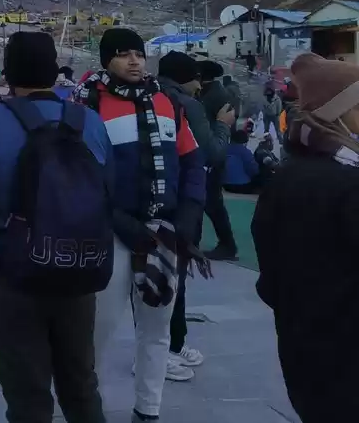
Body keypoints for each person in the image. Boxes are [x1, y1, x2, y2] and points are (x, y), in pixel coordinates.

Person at [0, 32, 111, 423]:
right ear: (54, 72)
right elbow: (110, 189)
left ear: (9, 72)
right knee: (81, 383)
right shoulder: (90, 122)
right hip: (79, 270)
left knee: (28, 393)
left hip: (13, 272)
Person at [72, 28, 205, 423]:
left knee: (156, 328)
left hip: (162, 233)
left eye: (138, 53)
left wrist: (188, 215)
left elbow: (194, 162)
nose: (133, 61)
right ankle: (85, 408)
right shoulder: (89, 106)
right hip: (112, 234)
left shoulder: (167, 103)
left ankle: (147, 411)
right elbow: (79, 174)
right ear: (105, 60)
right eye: (122, 54)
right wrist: (117, 221)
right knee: (101, 327)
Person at [252, 52, 359, 422]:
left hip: (303, 351)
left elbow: (269, 277)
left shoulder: (287, 176)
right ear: (335, 113)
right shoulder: (346, 183)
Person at [156, 51, 234, 380]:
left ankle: (169, 343)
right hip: (182, 200)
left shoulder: (150, 95)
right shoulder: (187, 105)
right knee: (176, 272)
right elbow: (212, 153)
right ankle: (168, 349)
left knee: (158, 274)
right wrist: (222, 125)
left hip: (153, 198)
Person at [195, 60, 238, 261]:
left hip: (212, 155)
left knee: (212, 202)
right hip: (212, 152)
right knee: (209, 201)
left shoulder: (213, 96)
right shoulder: (213, 93)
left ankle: (227, 245)